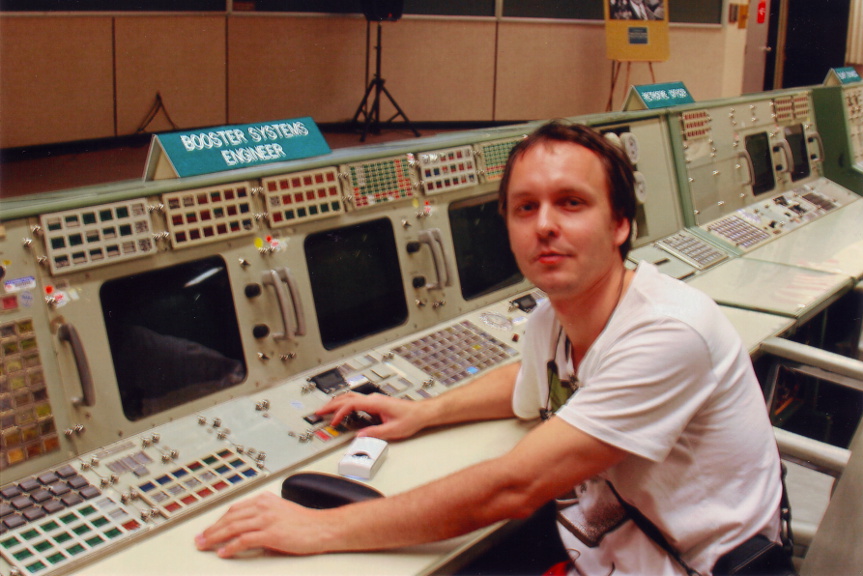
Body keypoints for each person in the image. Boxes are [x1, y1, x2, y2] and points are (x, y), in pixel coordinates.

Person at [195, 122, 784, 575]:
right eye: (526, 207)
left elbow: (512, 487)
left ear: (620, 224)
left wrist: (320, 530)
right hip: (602, 553)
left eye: (571, 203)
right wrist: (425, 412)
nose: (544, 225)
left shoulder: (668, 334)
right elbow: (530, 381)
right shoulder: (554, 319)